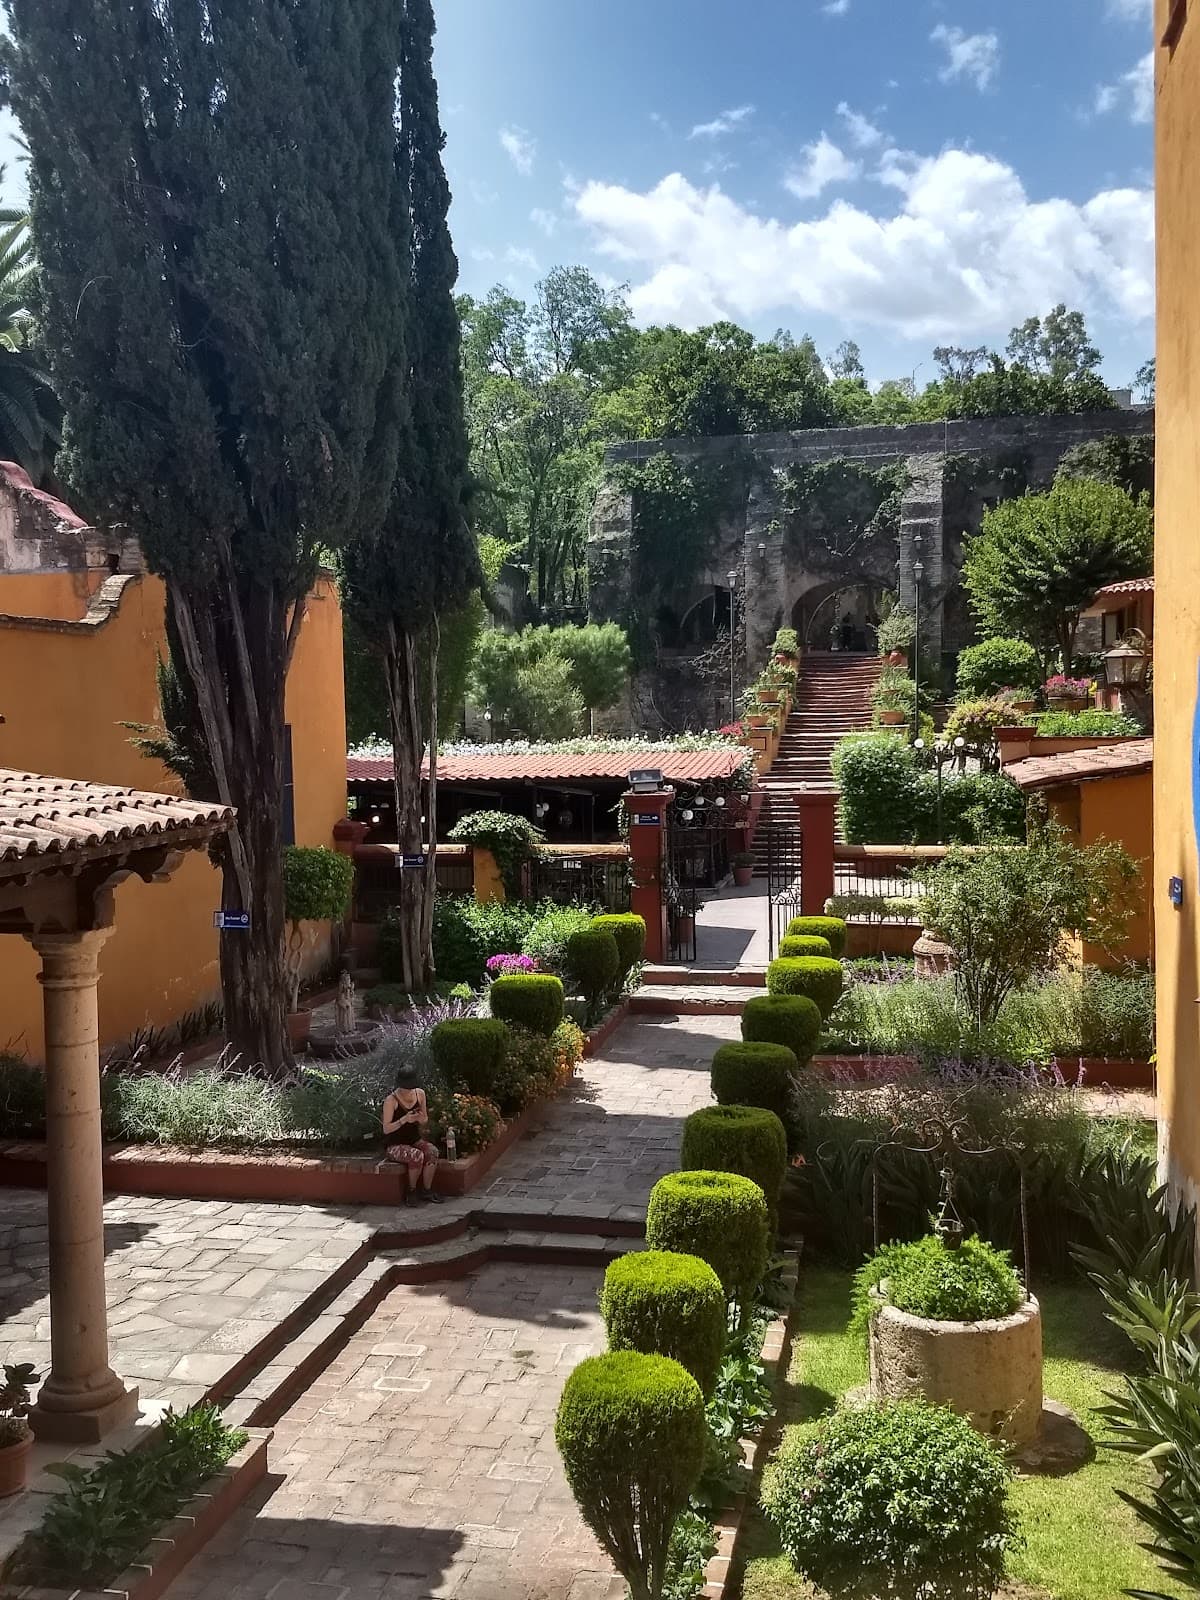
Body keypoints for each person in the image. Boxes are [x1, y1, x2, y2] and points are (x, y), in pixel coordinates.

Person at [382, 1066, 442, 1203]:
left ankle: (427, 1190)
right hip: (394, 1144)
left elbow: (425, 1118)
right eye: (405, 1087)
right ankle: (412, 1190)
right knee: (416, 1155)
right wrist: (404, 1120)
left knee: (432, 1151)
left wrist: (419, 1118)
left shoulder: (420, 1094)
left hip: (414, 1139)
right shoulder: (391, 1101)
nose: (408, 1090)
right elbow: (386, 1129)